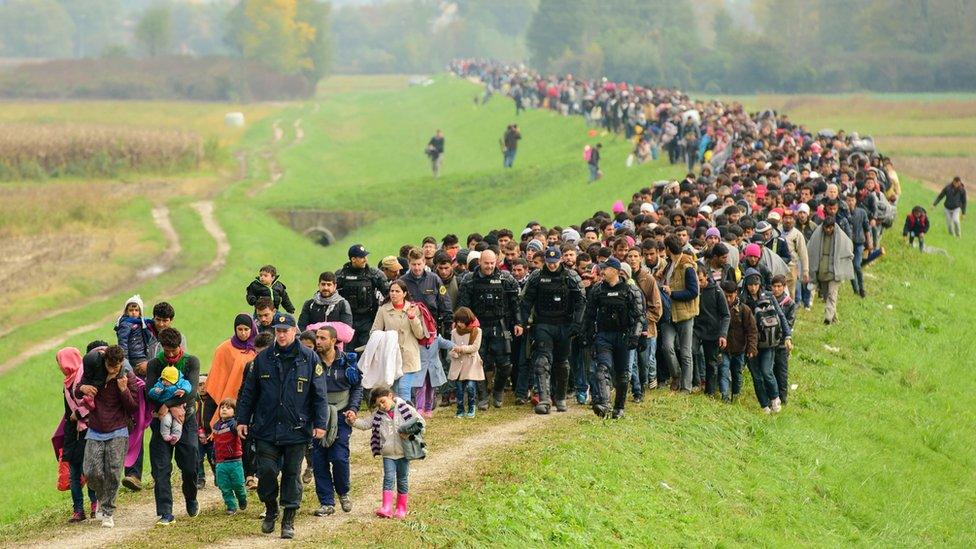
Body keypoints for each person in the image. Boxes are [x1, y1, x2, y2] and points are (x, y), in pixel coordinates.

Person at [236, 312, 327, 539]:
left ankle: (288, 519)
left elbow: (319, 395)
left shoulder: (309, 358)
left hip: (297, 428)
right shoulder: (263, 358)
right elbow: (249, 393)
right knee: (266, 473)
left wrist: (320, 423)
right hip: (266, 428)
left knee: (291, 473)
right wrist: (242, 419)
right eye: (278, 331)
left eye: (285, 331)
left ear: (295, 331)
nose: (282, 334)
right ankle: (270, 509)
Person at [76, 345, 139, 528]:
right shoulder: (95, 371)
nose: (113, 370)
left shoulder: (128, 376)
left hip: (118, 430)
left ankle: (108, 511)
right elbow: (77, 390)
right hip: (95, 429)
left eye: (116, 366)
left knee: (112, 472)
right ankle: (103, 499)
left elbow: (133, 407)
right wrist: (84, 388)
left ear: (121, 363)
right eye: (110, 366)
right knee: (91, 471)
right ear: (104, 362)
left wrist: (123, 390)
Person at [519, 246, 586, 414]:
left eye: (555, 262)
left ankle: (561, 397)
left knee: (561, 363)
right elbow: (526, 300)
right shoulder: (537, 276)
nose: (552, 266)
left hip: (564, 324)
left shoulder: (570, 276)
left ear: (560, 260)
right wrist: (523, 321)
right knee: (542, 361)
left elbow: (580, 302)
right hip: (543, 324)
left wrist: (577, 324)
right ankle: (544, 399)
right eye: (549, 262)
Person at [456, 250, 524, 409]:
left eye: (492, 263)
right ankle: (482, 396)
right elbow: (463, 305)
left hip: (501, 325)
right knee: (477, 362)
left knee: (505, 363)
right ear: (480, 261)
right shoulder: (469, 279)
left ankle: (498, 391)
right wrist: (462, 325)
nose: (489, 266)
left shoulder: (506, 279)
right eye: (486, 263)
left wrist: (518, 323)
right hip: (477, 326)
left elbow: (515, 303)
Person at [146, 328, 200, 525]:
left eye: (173, 350)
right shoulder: (155, 364)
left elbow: (191, 392)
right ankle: (165, 511)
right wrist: (165, 408)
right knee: (160, 467)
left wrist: (168, 405)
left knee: (190, 464)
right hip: (160, 421)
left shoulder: (191, 361)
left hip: (186, 421)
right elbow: (149, 392)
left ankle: (191, 496)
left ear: (180, 346)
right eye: (166, 350)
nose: (170, 355)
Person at [346, 386, 426, 519]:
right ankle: (386, 507)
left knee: (402, 479)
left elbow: (421, 423)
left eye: (383, 401)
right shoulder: (378, 415)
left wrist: (410, 432)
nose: (382, 406)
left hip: (403, 452)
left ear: (390, 396)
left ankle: (401, 508)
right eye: (378, 404)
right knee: (388, 478)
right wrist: (353, 421)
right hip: (388, 453)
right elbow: (366, 424)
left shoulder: (405, 409)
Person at [582, 257, 642, 419]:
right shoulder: (597, 290)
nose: (602, 271)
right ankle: (604, 403)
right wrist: (587, 335)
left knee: (623, 374)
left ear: (615, 271)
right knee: (602, 369)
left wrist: (635, 336)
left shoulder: (630, 290)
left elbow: (639, 317)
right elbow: (589, 315)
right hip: (603, 336)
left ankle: (619, 408)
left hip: (623, 336)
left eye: (606, 269)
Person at [312, 325, 362, 517]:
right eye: (317, 337)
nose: (318, 341)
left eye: (323, 338)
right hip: (318, 415)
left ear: (334, 340)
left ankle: (343, 492)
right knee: (319, 458)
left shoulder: (347, 362)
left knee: (339, 457)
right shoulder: (311, 362)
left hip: (341, 414)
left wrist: (353, 408)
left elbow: (357, 386)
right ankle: (326, 501)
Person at [740, 269, 792, 413]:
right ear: (746, 285)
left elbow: (781, 316)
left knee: (767, 371)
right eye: (750, 284)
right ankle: (764, 406)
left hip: (769, 343)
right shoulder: (743, 300)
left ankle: (775, 398)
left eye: (755, 284)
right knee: (756, 376)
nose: (753, 287)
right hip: (750, 344)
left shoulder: (769, 296)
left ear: (760, 283)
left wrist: (787, 336)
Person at [57, 347, 97, 522]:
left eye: (60, 362)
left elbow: (91, 403)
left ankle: (94, 505)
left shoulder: (83, 379)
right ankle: (79, 509)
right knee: (75, 472)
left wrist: (78, 415)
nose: (59, 366)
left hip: (87, 429)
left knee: (88, 470)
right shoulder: (66, 384)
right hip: (73, 433)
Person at [370, 280, 426, 404]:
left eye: (397, 291)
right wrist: (386, 337)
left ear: (404, 293)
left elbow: (420, 334)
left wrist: (413, 318)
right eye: (392, 291)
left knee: (404, 388)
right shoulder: (383, 309)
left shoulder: (413, 308)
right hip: (391, 356)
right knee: (393, 391)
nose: (394, 294)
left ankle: (408, 417)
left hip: (409, 355)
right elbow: (374, 331)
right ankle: (397, 418)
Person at [660, 235, 700, 393]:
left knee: (685, 352)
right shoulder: (670, 264)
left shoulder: (687, 267)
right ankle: (676, 374)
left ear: (668, 249)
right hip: (669, 313)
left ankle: (686, 386)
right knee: (667, 347)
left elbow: (693, 292)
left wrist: (673, 293)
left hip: (684, 314)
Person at [336, 244, 390, 350]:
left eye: (366, 256)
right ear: (353, 259)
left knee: (367, 352)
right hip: (347, 320)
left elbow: (389, 295)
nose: (366, 259)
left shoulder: (375, 274)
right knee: (348, 353)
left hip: (368, 320)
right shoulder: (340, 275)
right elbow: (329, 293)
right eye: (362, 257)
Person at [807, 216, 855, 325]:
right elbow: (811, 250)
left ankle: (827, 318)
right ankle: (835, 320)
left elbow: (849, 250)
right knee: (826, 295)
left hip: (835, 271)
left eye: (830, 228)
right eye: (826, 228)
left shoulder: (841, 237)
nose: (828, 230)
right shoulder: (817, 236)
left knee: (832, 294)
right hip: (821, 271)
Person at [693, 264, 729, 397]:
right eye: (696, 281)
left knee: (711, 363)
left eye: (701, 280)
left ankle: (711, 392)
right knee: (690, 352)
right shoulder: (692, 290)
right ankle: (696, 382)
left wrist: (723, 334)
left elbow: (726, 315)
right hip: (696, 329)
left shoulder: (717, 291)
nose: (699, 284)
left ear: (706, 277)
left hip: (713, 331)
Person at [719, 281, 757, 403]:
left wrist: (751, 348)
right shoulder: (718, 307)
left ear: (736, 293)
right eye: (726, 296)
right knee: (723, 371)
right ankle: (725, 396)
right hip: (723, 348)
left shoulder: (744, 310)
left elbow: (752, 330)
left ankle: (736, 395)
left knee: (737, 374)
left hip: (739, 349)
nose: (728, 299)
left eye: (731, 295)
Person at [211, 398, 247, 514]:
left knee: (238, 484)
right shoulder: (216, 426)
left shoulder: (233, 424)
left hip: (234, 462)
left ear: (234, 411)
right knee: (224, 486)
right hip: (220, 463)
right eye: (222, 407)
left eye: (228, 407)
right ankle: (231, 506)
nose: (224, 409)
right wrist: (213, 456)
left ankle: (242, 498)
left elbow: (237, 429)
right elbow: (215, 443)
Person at [448, 307, 484, 418]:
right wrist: (454, 353)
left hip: (471, 363)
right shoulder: (454, 332)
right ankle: (460, 410)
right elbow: (451, 346)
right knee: (459, 388)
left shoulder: (477, 331)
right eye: (458, 321)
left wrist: (461, 349)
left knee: (470, 387)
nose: (460, 324)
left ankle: (472, 407)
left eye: (462, 322)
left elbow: (475, 347)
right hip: (458, 363)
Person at [148, 366, 192, 444]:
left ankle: (176, 436)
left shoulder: (181, 382)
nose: (164, 382)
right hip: (165, 408)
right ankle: (165, 434)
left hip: (178, 406)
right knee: (166, 420)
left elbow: (188, 386)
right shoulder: (160, 384)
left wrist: (183, 390)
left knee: (178, 421)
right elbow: (151, 394)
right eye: (163, 380)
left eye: (167, 380)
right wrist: (155, 392)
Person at [770, 275, 796, 406]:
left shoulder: (789, 303)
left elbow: (789, 323)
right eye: (774, 286)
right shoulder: (768, 300)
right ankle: (773, 397)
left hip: (781, 344)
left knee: (782, 371)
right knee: (771, 370)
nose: (776, 289)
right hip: (769, 342)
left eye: (779, 286)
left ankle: (783, 397)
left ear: (784, 287)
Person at [115, 294, 154, 374]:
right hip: (134, 356)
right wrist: (125, 358)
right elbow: (123, 342)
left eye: (136, 310)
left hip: (142, 354)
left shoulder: (142, 322)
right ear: (126, 311)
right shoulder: (125, 323)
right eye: (131, 310)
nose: (133, 312)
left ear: (140, 312)